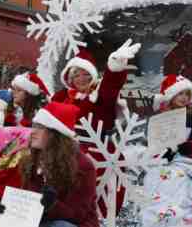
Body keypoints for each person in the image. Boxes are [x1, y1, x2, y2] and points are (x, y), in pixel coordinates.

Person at [0, 102, 98, 227]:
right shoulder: (32, 159)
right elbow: (25, 200)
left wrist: (52, 205)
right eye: (34, 126)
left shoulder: (82, 166)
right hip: (34, 220)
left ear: (56, 134)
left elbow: (78, 215)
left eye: (40, 127)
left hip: (65, 221)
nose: (32, 132)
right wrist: (7, 208)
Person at [52, 39, 141, 216]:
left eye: (85, 74)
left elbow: (110, 87)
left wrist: (115, 68)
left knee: (98, 198)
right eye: (76, 74)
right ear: (69, 78)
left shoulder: (99, 96)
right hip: (65, 151)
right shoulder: (61, 97)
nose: (81, 78)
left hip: (99, 152)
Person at [141, 74, 192, 227]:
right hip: (163, 161)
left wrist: (190, 147)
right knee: (159, 179)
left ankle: (183, 216)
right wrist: (160, 151)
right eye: (180, 93)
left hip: (188, 161)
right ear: (170, 95)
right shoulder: (159, 118)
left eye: (187, 94)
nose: (184, 97)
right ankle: (160, 218)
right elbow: (152, 145)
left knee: (180, 180)